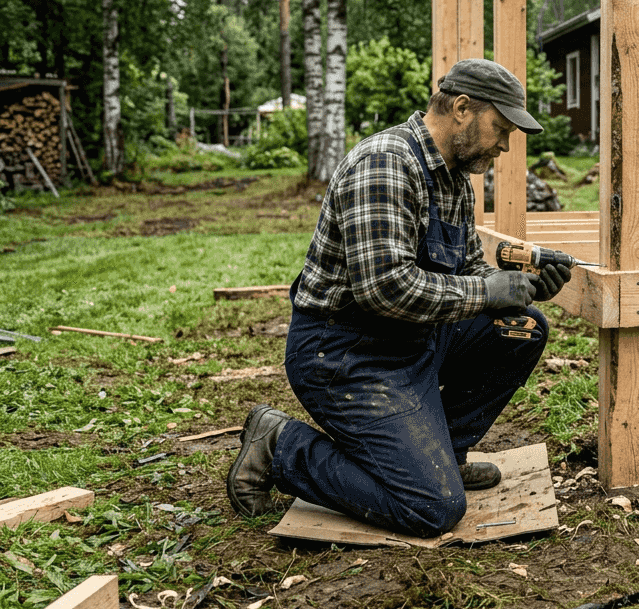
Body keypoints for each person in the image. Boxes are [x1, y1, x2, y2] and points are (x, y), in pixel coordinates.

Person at [225, 58, 571, 538]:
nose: (505, 145)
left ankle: (443, 453)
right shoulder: (386, 163)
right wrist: (488, 291)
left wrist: (519, 290)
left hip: (411, 340)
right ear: (463, 108)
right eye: (501, 128)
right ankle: (281, 446)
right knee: (432, 508)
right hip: (347, 354)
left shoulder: (453, 178)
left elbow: (468, 272)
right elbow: (385, 290)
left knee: (523, 327)